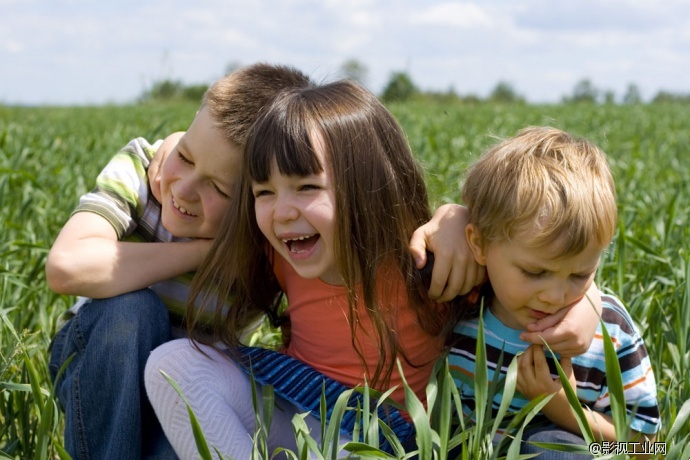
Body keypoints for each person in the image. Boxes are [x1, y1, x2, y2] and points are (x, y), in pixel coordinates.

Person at [143, 85, 605, 459]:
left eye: (306, 187)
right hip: (292, 400)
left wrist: (587, 303)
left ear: (366, 187)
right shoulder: (280, 255)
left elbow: (539, 268)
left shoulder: (429, 265)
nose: (282, 212)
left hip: (375, 435)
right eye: (264, 191)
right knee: (172, 364)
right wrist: (169, 154)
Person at [45, 63, 314, 460]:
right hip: (98, 366)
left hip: (180, 386)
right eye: (185, 156)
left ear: (260, 199)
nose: (183, 188)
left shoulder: (269, 237)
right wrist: (205, 251)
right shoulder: (142, 170)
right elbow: (67, 265)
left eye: (218, 187)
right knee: (132, 310)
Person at [448, 126, 660, 458]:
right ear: (479, 245)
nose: (556, 296)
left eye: (580, 274)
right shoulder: (459, 308)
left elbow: (649, 447)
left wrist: (565, 410)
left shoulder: (610, 331)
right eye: (535, 272)